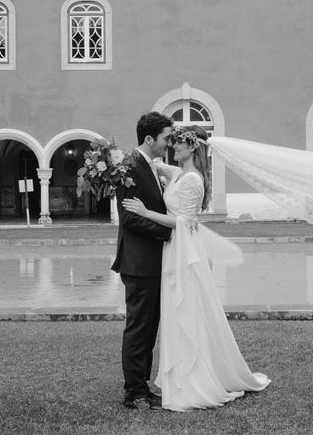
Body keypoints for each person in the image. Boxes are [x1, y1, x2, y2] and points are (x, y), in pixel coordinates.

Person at [122, 125, 270, 412]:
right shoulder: (178, 173)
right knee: (177, 311)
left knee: (186, 310)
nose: (173, 147)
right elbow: (151, 163)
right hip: (172, 250)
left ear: (193, 148)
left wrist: (145, 212)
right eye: (171, 141)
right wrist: (115, 161)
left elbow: (185, 221)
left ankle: (194, 378)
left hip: (183, 250)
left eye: (178, 143)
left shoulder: (193, 180)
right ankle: (177, 376)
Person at [111, 111, 173, 410]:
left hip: (151, 261)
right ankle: (133, 391)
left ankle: (142, 386)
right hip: (138, 262)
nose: (168, 144)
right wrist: (167, 233)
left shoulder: (150, 166)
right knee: (139, 327)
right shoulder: (130, 166)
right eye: (165, 139)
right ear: (149, 139)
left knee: (149, 326)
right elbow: (129, 217)